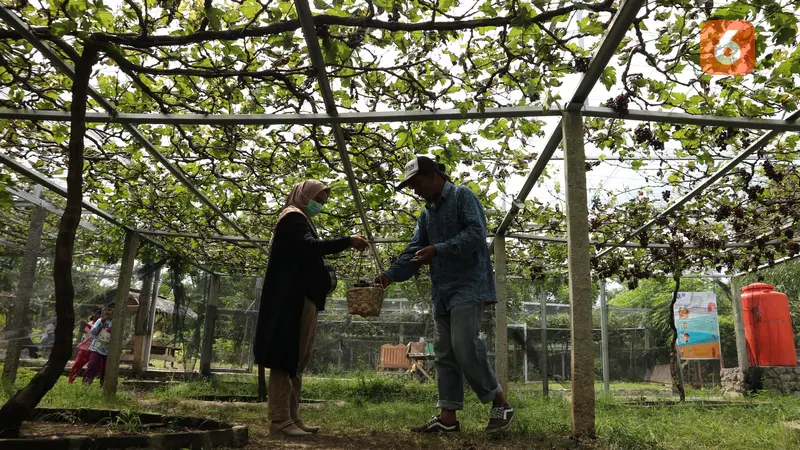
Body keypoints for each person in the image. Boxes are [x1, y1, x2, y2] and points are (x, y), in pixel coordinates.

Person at [375, 156, 514, 434]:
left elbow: (476, 234)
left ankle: (500, 402)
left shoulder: (463, 196)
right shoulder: (427, 214)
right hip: (443, 291)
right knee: (445, 353)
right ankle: (448, 418)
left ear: (432, 176)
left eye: (415, 184)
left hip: (469, 285)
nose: (414, 190)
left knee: (465, 344)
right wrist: (389, 275)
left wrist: (438, 250)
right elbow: (414, 249)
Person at [253, 180, 369, 437]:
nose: (320, 205)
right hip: (292, 302)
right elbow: (309, 246)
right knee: (286, 357)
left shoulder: (299, 219)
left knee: (296, 359)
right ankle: (280, 420)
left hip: (302, 299)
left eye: (323, 202)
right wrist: (346, 241)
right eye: (318, 199)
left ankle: (292, 417)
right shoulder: (292, 218)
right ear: (303, 195)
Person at [69, 309, 102, 384]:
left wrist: (86, 324)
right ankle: (71, 380)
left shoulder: (101, 324)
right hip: (85, 348)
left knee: (94, 366)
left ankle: (87, 382)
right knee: (77, 364)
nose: (96, 315)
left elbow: (95, 331)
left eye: (99, 314)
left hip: (95, 349)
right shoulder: (90, 323)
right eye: (96, 313)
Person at [83, 306, 113, 385]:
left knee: (106, 368)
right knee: (93, 364)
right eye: (105, 310)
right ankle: (86, 383)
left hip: (109, 349)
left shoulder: (116, 322)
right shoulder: (100, 320)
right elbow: (93, 332)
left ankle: (104, 385)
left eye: (109, 310)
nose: (107, 312)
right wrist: (101, 322)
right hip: (96, 347)